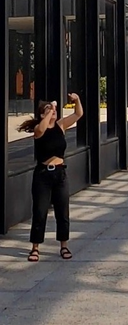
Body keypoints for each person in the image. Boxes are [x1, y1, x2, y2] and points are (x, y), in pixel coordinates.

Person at [17, 95, 84, 262]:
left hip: (60, 174)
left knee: (63, 212)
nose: (53, 111)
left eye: (53, 110)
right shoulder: (39, 129)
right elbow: (41, 129)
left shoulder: (60, 126)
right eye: (47, 110)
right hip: (43, 175)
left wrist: (77, 100)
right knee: (40, 212)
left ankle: (64, 245)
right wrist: (49, 110)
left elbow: (78, 114)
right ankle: (35, 247)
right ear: (42, 115)